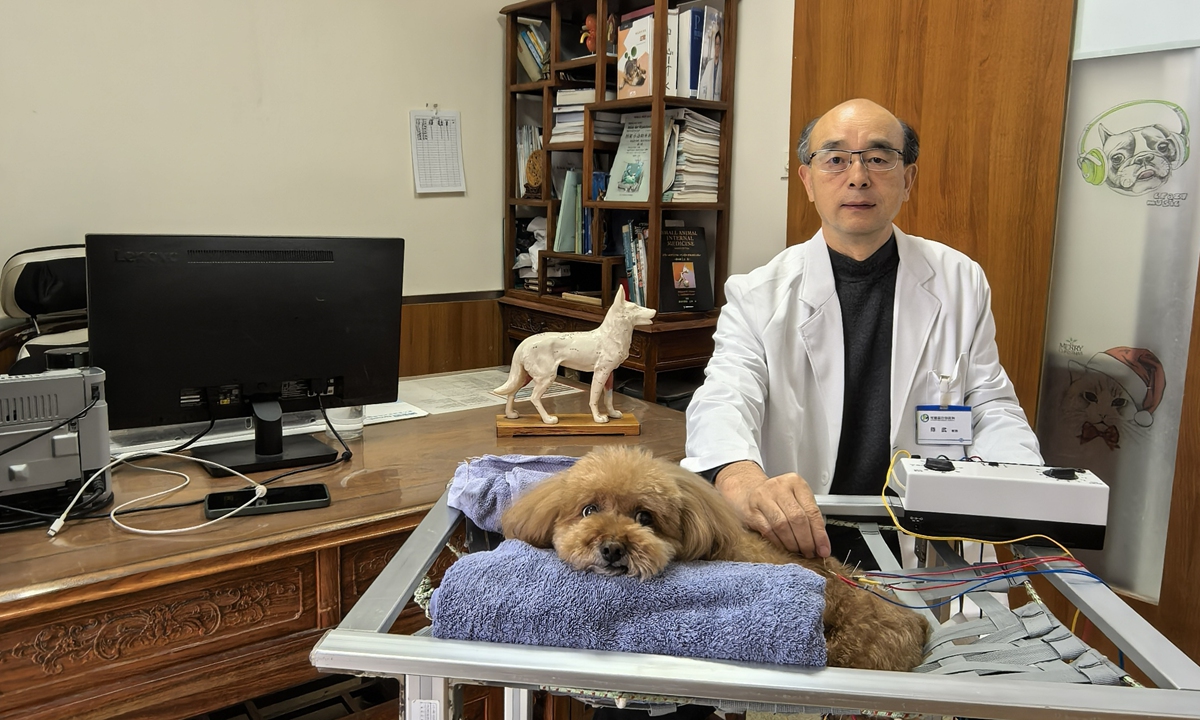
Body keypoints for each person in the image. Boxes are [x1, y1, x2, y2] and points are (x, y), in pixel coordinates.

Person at [682, 98, 1043, 568]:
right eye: (834, 159)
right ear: (807, 181)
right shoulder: (758, 294)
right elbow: (724, 397)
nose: (857, 176)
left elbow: (989, 403)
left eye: (878, 158)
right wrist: (741, 480)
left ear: (908, 178)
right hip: (797, 538)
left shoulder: (959, 279)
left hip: (923, 541)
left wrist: (1028, 483)